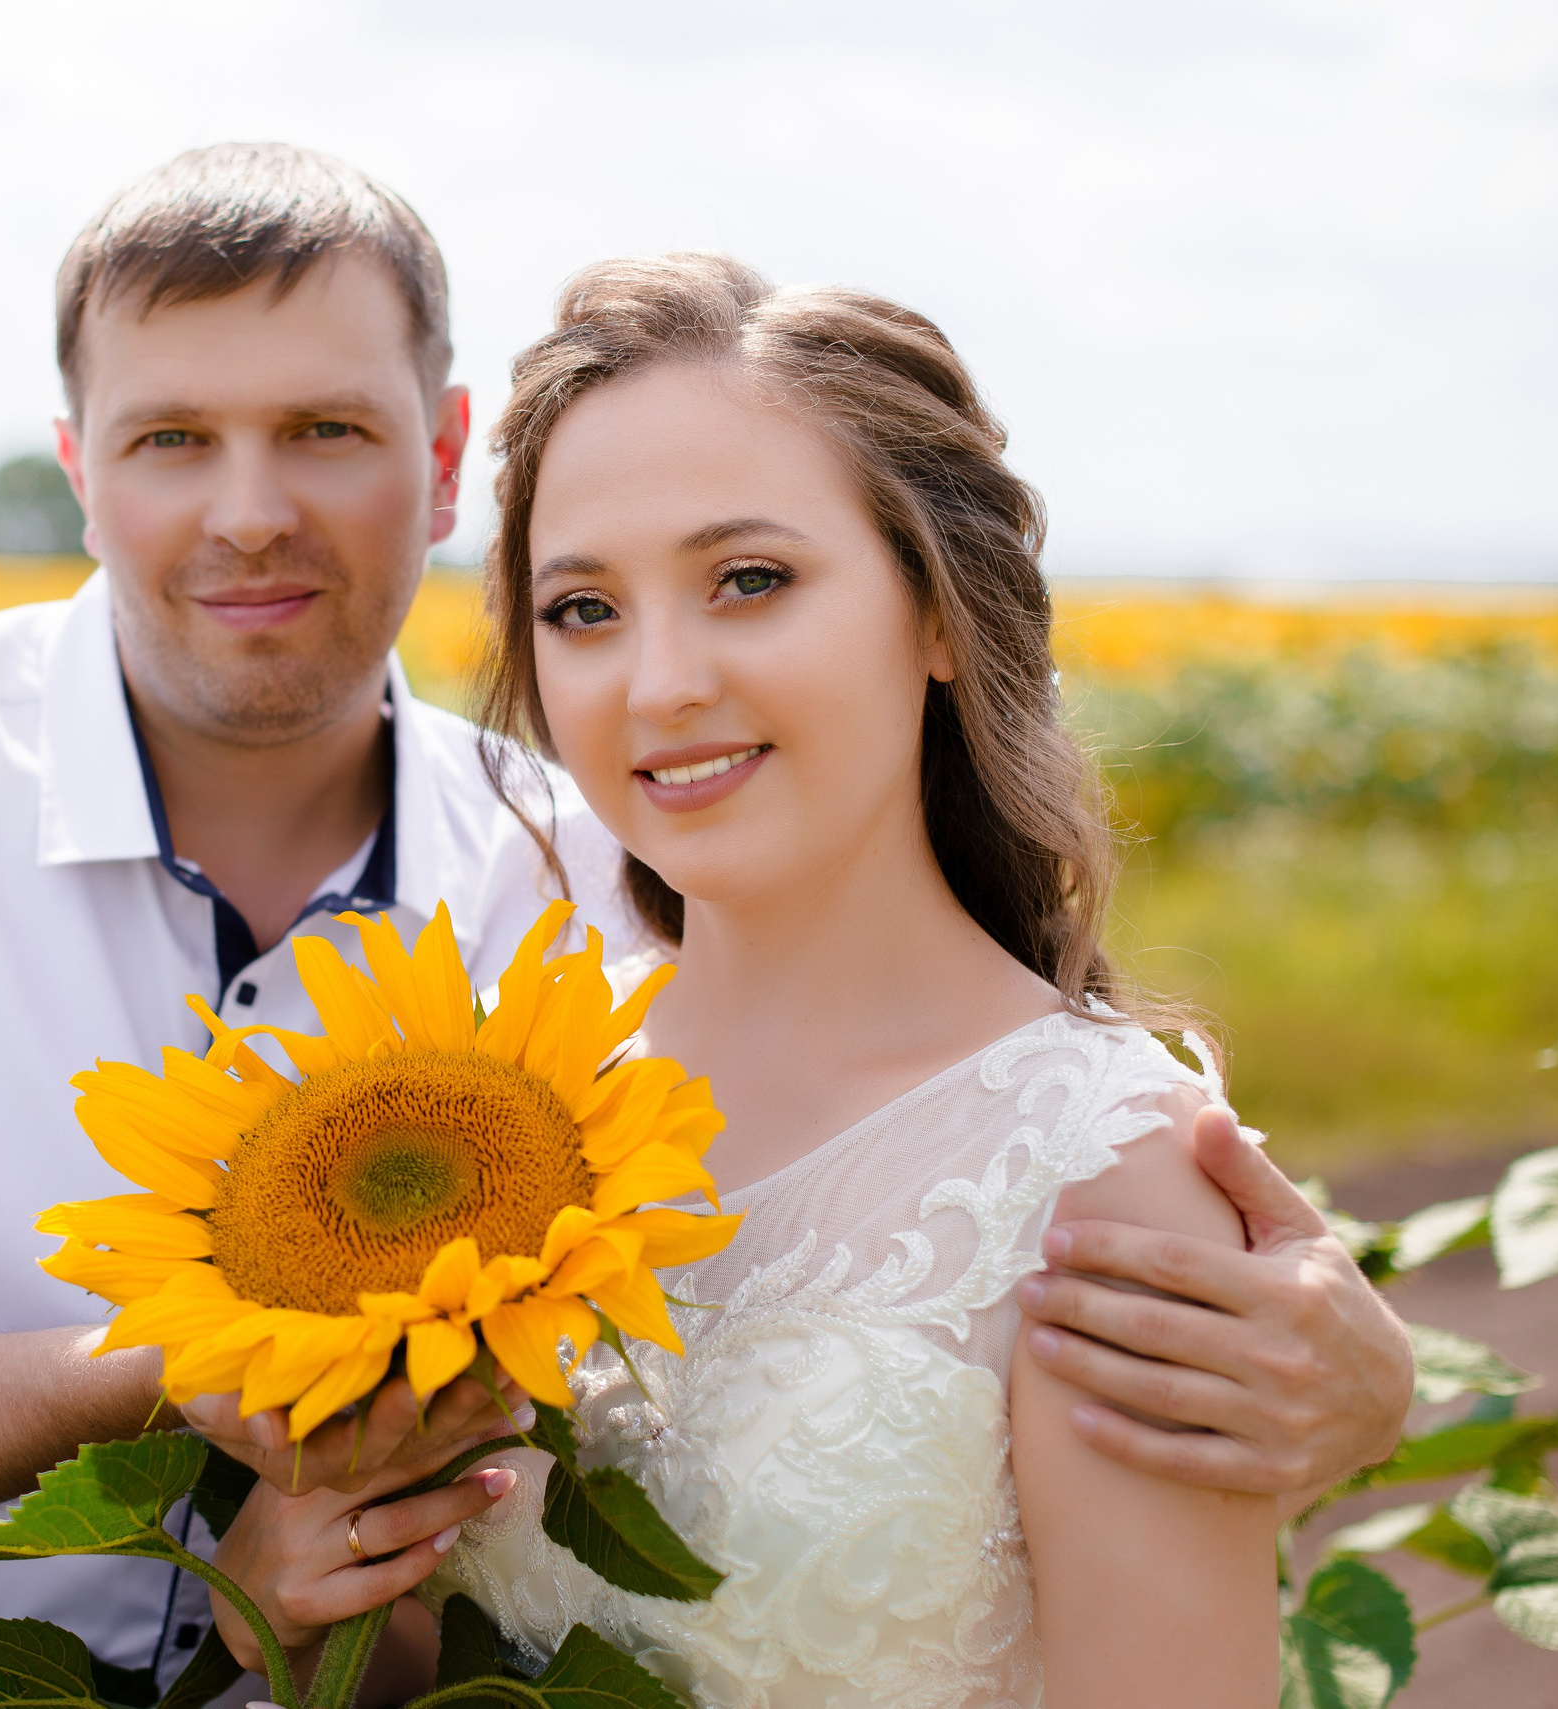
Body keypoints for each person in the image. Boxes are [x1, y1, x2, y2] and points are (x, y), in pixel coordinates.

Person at [0, 149, 1411, 1708]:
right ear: (77, 465)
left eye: (325, 429)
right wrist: (235, 1430)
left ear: (439, 460)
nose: (249, 510)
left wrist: (1362, 1383)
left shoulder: (555, 892)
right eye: (586, 611)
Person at [201, 258, 1359, 1707]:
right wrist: (301, 1614)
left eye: (749, 580)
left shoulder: (1105, 1170)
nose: (661, 680)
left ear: (941, 615)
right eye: (583, 609)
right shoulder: (508, 1096)